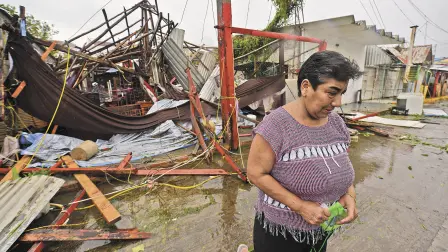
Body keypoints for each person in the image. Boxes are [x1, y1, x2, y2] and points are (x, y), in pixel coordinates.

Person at [246, 51, 362, 252]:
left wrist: (348, 194)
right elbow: (256, 174)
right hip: (280, 234)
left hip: (320, 229)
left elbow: (340, 166)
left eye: (341, 93)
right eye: (332, 92)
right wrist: (300, 207)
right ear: (306, 86)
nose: (338, 102)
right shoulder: (275, 126)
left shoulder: (336, 123)